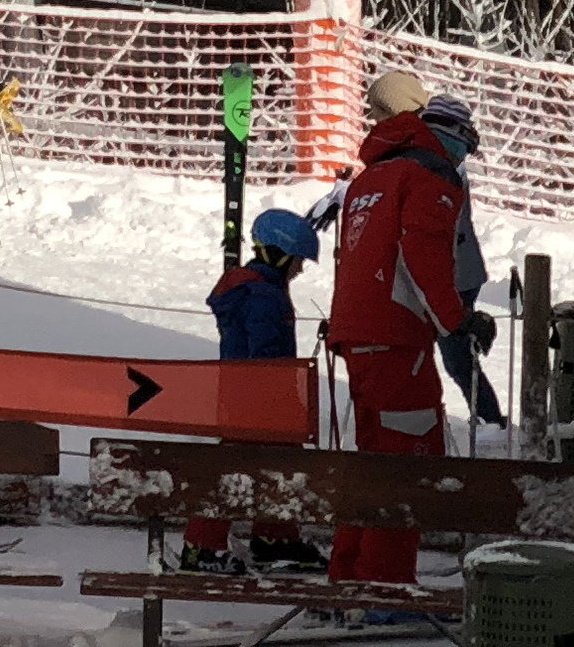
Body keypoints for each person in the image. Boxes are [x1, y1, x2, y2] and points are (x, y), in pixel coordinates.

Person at [322, 80, 472, 591]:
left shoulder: (370, 177)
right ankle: (385, 585)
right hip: (396, 340)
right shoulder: (430, 176)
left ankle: (348, 576)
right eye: (466, 146)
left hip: (357, 338)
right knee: (408, 465)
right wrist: (459, 320)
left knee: (369, 465)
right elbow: (423, 257)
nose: (464, 159)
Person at [183, 210, 324, 570]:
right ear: (279, 255)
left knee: (276, 461)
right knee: (239, 468)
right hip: (258, 400)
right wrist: (280, 393)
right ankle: (202, 546)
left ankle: (274, 534)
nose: (300, 270)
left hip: (241, 398)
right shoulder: (263, 296)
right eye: (298, 262)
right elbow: (265, 353)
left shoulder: (253, 289)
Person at [418, 96, 506, 430]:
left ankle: (491, 422)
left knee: (456, 356)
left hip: (457, 273)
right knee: (448, 354)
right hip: (453, 270)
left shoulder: (444, 166)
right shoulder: (435, 161)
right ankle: (487, 419)